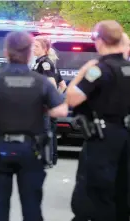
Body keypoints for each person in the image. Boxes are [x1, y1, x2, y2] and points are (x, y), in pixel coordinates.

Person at [0, 31, 68, 221]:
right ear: (29, 54)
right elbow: (61, 111)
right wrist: (41, 108)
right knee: (32, 204)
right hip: (31, 149)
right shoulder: (40, 81)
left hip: (0, 148)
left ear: (6, 53)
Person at [66, 20, 130, 221]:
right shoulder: (128, 69)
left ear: (99, 40)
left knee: (97, 190)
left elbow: (73, 98)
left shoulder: (99, 69)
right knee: (123, 190)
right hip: (126, 136)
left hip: (104, 137)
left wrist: (83, 71)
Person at [32, 38, 61, 165]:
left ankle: (45, 159)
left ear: (45, 49)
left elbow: (52, 84)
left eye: (37, 46)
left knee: (44, 131)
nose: (34, 48)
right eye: (34, 46)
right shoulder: (38, 62)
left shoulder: (45, 63)